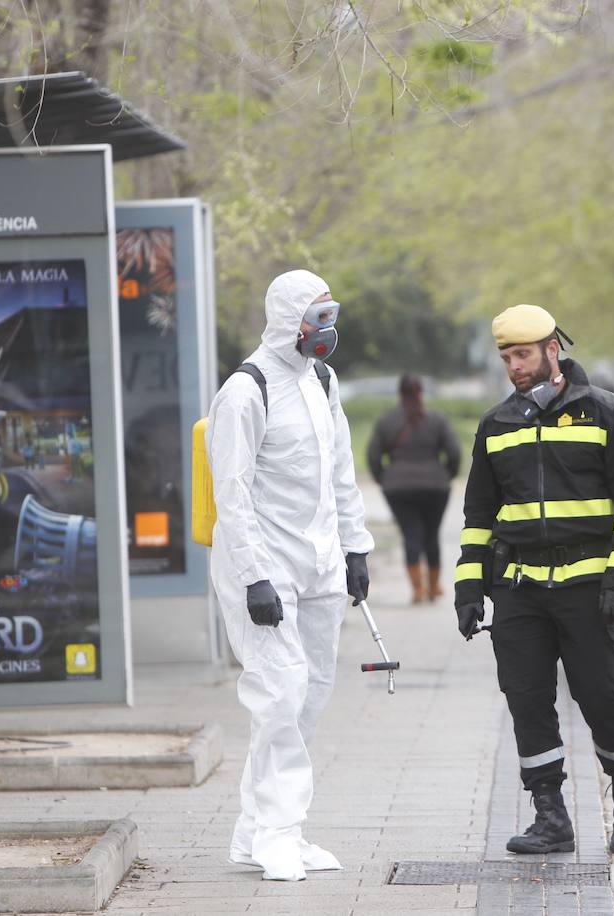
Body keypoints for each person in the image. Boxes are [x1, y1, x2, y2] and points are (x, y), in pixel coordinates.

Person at [454, 304, 614, 855]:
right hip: (519, 590)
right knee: (527, 700)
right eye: (506, 358)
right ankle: (550, 816)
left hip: (589, 588)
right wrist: (469, 589)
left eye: (522, 355)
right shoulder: (496, 425)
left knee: (602, 698)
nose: (514, 367)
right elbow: (479, 519)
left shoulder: (607, 412)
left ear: (552, 350)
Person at [206, 269, 374, 882]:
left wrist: (355, 547)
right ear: (287, 320)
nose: (328, 330)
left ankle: (257, 831)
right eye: (317, 317)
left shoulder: (322, 381)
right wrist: (253, 576)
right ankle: (280, 833)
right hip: (266, 566)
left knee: (308, 695)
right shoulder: (246, 391)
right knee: (279, 694)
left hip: (321, 562)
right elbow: (233, 491)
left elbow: (340, 471)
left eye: (332, 315)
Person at [367, 374, 461, 603]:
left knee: (411, 533)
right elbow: (454, 453)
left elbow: (373, 455)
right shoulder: (437, 419)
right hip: (436, 487)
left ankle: (417, 589)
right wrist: (446, 475)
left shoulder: (386, 421)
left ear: (400, 394)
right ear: (421, 393)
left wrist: (385, 477)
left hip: (398, 488)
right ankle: (434, 586)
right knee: (431, 534)